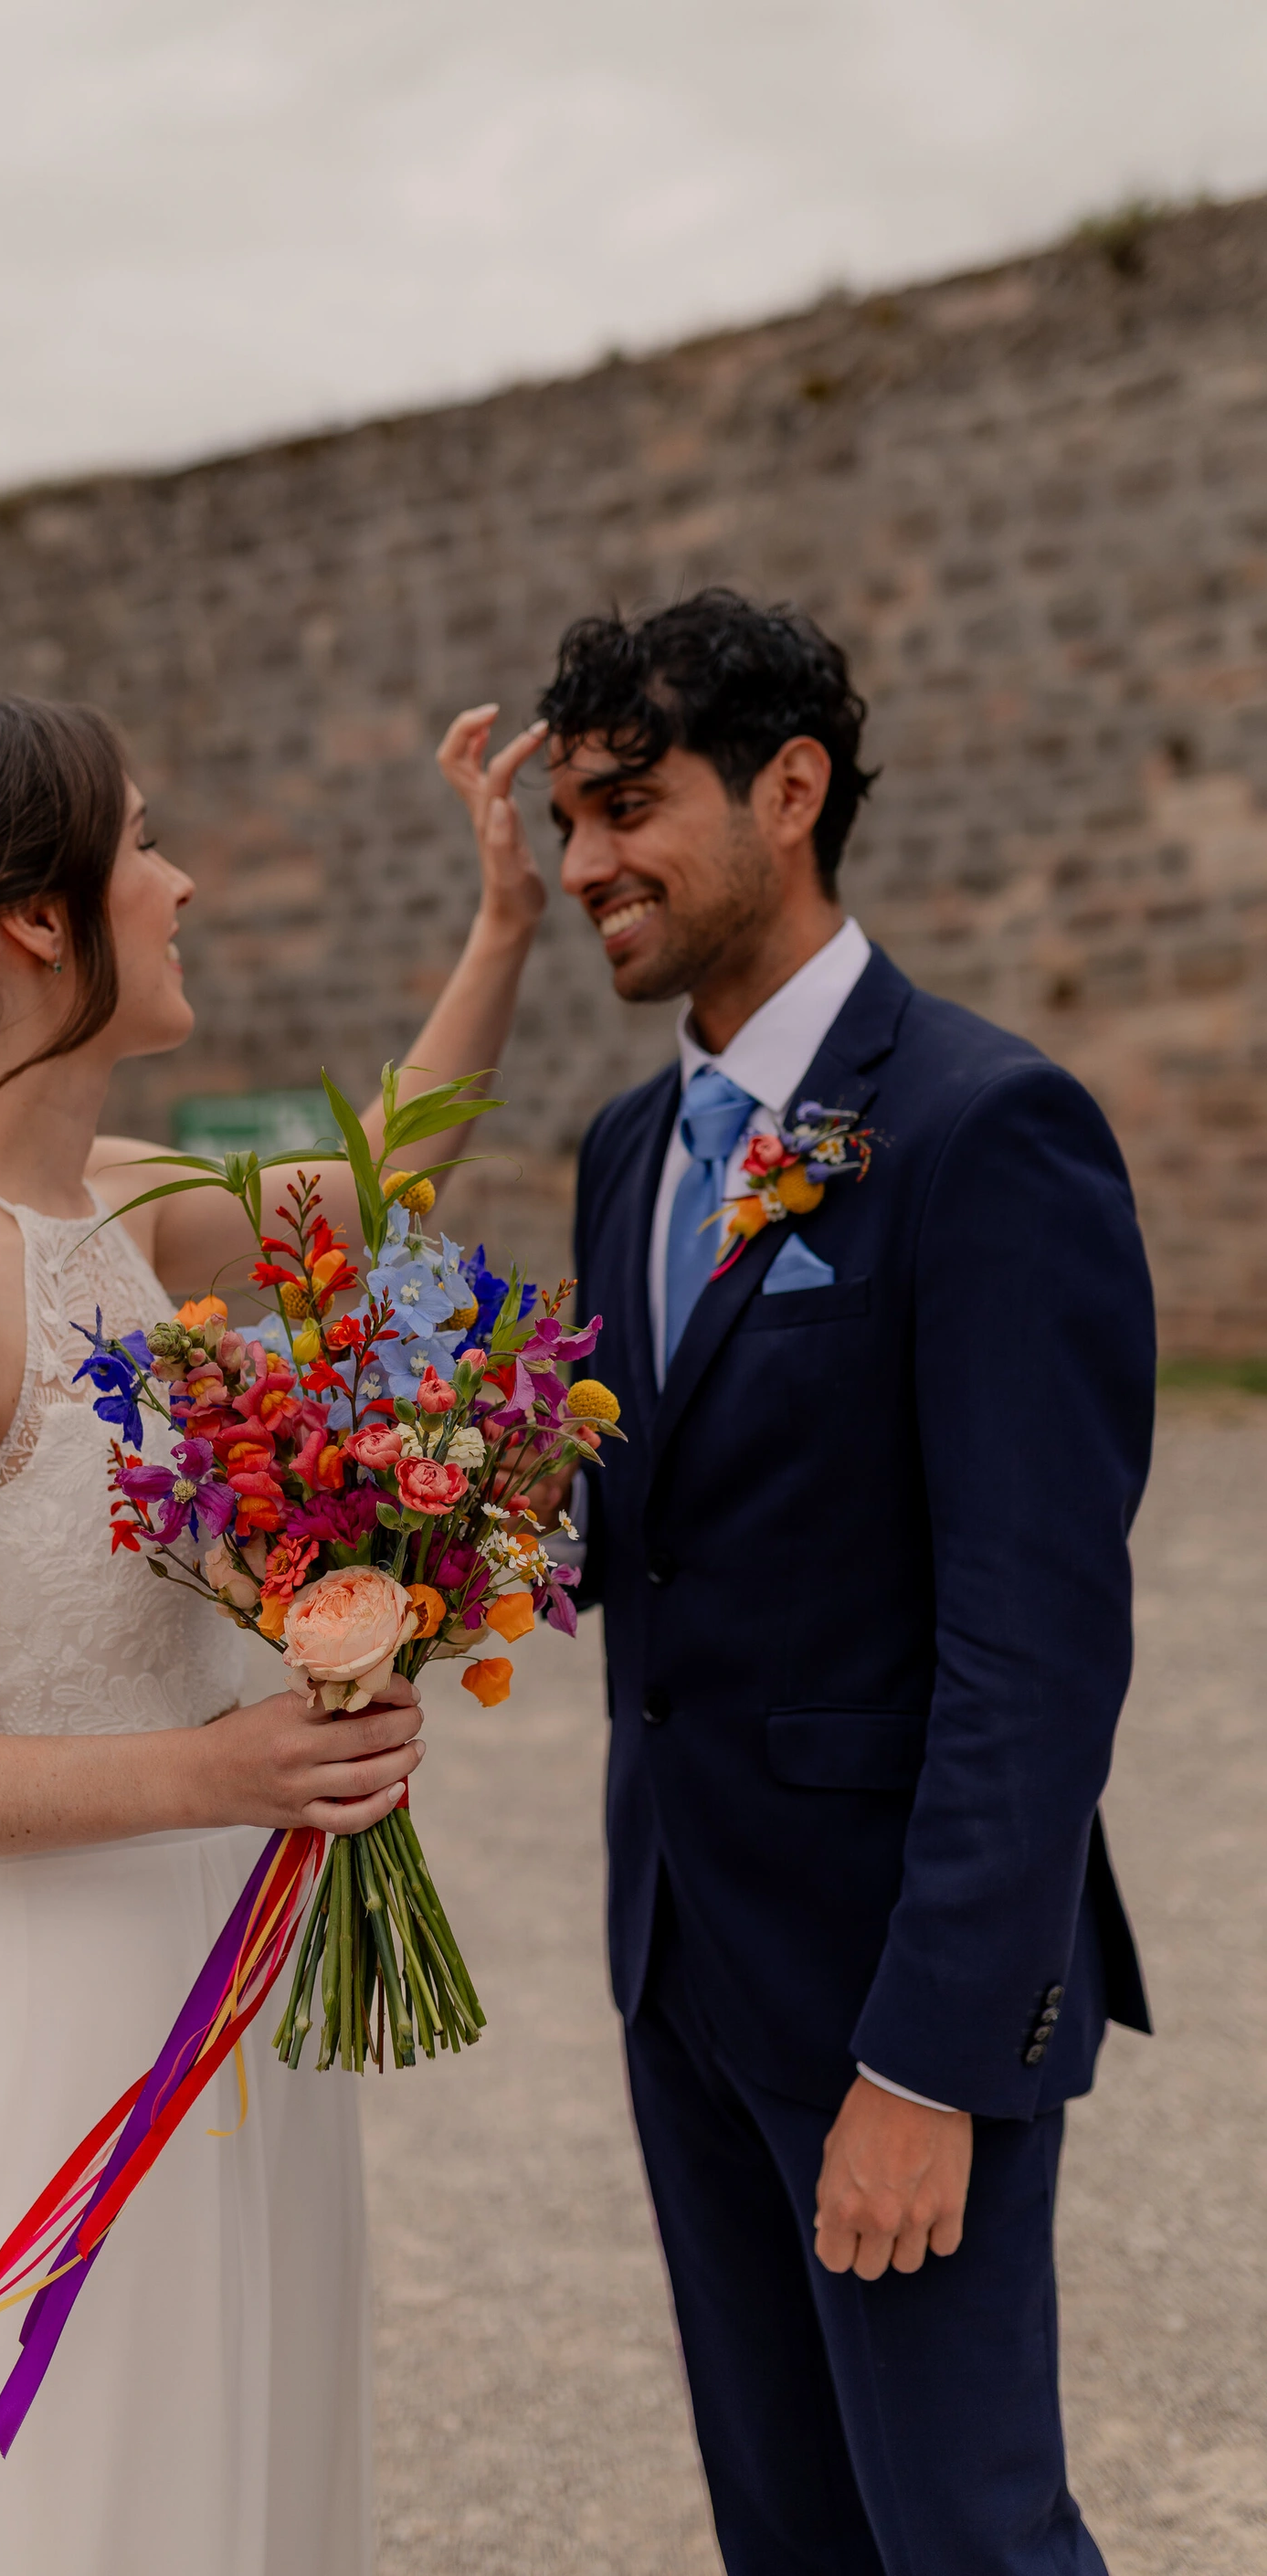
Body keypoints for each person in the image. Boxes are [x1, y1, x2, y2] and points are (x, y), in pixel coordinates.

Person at [0, 692, 544, 2576]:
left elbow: (376, 1194)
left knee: (246, 2486)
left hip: (237, 1966)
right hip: (60, 2016)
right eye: (144, 844)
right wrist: (208, 1768)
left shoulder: (111, 1204)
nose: (178, 882)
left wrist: (502, 928)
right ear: (38, 919)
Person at [438, 592, 1155, 2575]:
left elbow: (1038, 1647)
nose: (584, 860)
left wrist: (927, 2060)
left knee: (964, 2535)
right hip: (679, 1958)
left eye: (626, 805)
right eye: (567, 816)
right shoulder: (619, 1149)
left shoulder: (983, 1131)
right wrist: (388, 1546)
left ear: (791, 788)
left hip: (890, 1996)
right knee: (787, 2532)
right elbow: (641, 1522)